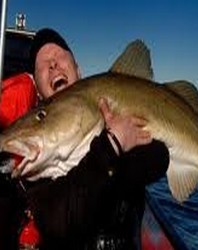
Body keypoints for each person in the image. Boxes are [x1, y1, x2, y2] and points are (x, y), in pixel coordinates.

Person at [17, 28, 169, 249]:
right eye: (42, 64)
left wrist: (116, 147)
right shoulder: (33, 145)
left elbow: (159, 158)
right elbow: (60, 220)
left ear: (79, 72)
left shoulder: (113, 110)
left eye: (59, 56)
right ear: (38, 91)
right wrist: (112, 145)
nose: (52, 64)